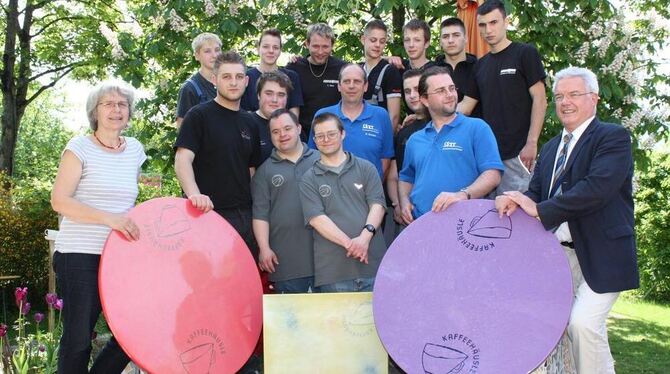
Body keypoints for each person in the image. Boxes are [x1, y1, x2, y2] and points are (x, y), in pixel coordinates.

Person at [495, 67, 639, 374]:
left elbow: (596, 189)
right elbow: (536, 192)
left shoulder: (612, 138)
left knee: (583, 325)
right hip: (557, 257)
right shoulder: (549, 149)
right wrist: (515, 199)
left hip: (603, 254)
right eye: (559, 96)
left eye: (574, 94)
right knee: (549, 330)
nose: (565, 102)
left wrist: (540, 210)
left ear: (594, 99)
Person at [51, 81, 146, 373]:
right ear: (95, 111)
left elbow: (128, 205)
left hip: (119, 258)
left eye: (122, 104)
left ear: (129, 112)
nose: (116, 110)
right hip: (78, 255)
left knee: (132, 335)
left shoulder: (135, 151)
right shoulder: (79, 148)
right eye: (108, 104)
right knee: (78, 340)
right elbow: (59, 201)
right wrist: (110, 219)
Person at [174, 51, 262, 260]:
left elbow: (252, 171)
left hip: (244, 219)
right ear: (214, 79)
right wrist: (194, 195)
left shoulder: (250, 122)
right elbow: (182, 159)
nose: (233, 82)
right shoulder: (198, 115)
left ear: (247, 81)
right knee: (205, 284)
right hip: (206, 214)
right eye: (226, 76)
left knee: (241, 283)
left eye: (239, 77)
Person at [459, 0, 547, 193]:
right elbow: (465, 106)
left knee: (518, 219)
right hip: (488, 158)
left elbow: (540, 100)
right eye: (482, 25)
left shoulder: (525, 53)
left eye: (493, 22)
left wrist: (531, 143)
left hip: (519, 155)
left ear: (506, 22)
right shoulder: (480, 66)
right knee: (489, 220)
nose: (488, 29)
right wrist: (430, 114)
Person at [399, 67, 503, 221]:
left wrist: (462, 195)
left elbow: (493, 174)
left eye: (452, 88)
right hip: (421, 224)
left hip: (464, 224)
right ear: (425, 100)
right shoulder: (415, 140)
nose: (449, 94)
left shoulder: (477, 128)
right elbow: (406, 177)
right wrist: (404, 201)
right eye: (441, 90)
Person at [299, 113, 387, 292]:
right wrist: (352, 245)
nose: (326, 139)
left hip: (373, 266)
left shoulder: (366, 168)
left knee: (376, 320)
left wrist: (364, 238)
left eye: (331, 134)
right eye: (320, 136)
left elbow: (378, 205)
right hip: (334, 271)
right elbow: (317, 219)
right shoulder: (308, 179)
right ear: (314, 140)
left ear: (342, 134)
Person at [252, 109, 320, 293]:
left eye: (287, 128)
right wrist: (264, 248)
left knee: (327, 320)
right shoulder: (264, 172)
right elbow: (260, 215)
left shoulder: (322, 160)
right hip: (286, 264)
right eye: (275, 131)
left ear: (299, 129)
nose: (282, 135)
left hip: (326, 262)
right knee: (292, 321)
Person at [308, 63, 394, 179]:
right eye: (346, 81)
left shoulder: (381, 115)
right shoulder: (323, 115)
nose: (351, 86)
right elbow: (313, 157)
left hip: (368, 193)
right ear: (339, 86)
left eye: (357, 81)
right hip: (330, 191)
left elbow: (385, 157)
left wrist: (371, 186)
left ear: (365, 86)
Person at [286, 23, 346, 140]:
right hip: (302, 137)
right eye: (315, 46)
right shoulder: (294, 68)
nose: (320, 52)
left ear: (332, 45)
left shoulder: (342, 69)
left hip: (333, 136)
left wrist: (387, 59)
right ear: (307, 44)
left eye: (325, 47)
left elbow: (363, 73)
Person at [386, 69, 429, 233]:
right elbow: (394, 175)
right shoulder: (404, 132)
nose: (412, 95)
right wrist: (398, 205)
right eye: (407, 91)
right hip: (411, 215)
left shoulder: (444, 125)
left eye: (417, 89)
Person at [240, 29, 303, 117]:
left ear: (280, 50)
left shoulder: (291, 76)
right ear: (258, 48)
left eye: (275, 47)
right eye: (266, 46)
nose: (271, 51)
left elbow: (294, 112)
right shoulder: (246, 77)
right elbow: (243, 112)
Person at [359, 20, 403, 131]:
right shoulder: (357, 69)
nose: (377, 45)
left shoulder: (390, 71)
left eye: (382, 41)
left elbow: (394, 117)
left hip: (379, 133)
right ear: (363, 40)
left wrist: (386, 144)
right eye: (373, 40)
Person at [434, 17, 480, 116]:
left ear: (466, 38)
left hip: (472, 129)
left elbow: (466, 109)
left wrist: (434, 115)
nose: (450, 40)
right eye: (445, 36)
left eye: (456, 35)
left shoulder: (478, 67)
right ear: (440, 41)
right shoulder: (432, 70)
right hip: (440, 130)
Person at [175, 33, 222, 128]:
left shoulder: (230, 82)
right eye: (207, 51)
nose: (214, 55)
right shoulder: (189, 88)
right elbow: (183, 129)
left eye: (217, 50)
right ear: (197, 55)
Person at [249, 71, 293, 162]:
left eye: (281, 95)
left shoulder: (293, 127)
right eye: (269, 93)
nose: (274, 100)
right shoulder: (246, 124)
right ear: (258, 95)